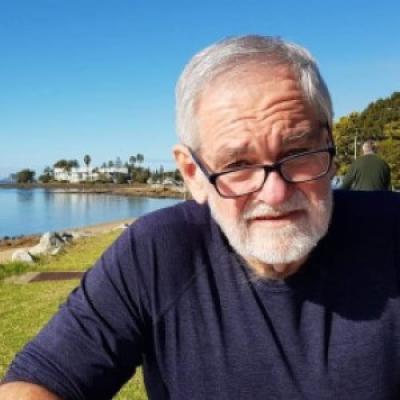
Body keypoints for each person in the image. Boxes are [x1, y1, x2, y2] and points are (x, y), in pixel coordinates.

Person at [2, 35, 400, 400]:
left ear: (330, 148)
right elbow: (37, 382)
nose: (275, 193)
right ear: (193, 175)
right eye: (238, 165)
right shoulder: (157, 253)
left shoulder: (392, 235)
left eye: (297, 153)